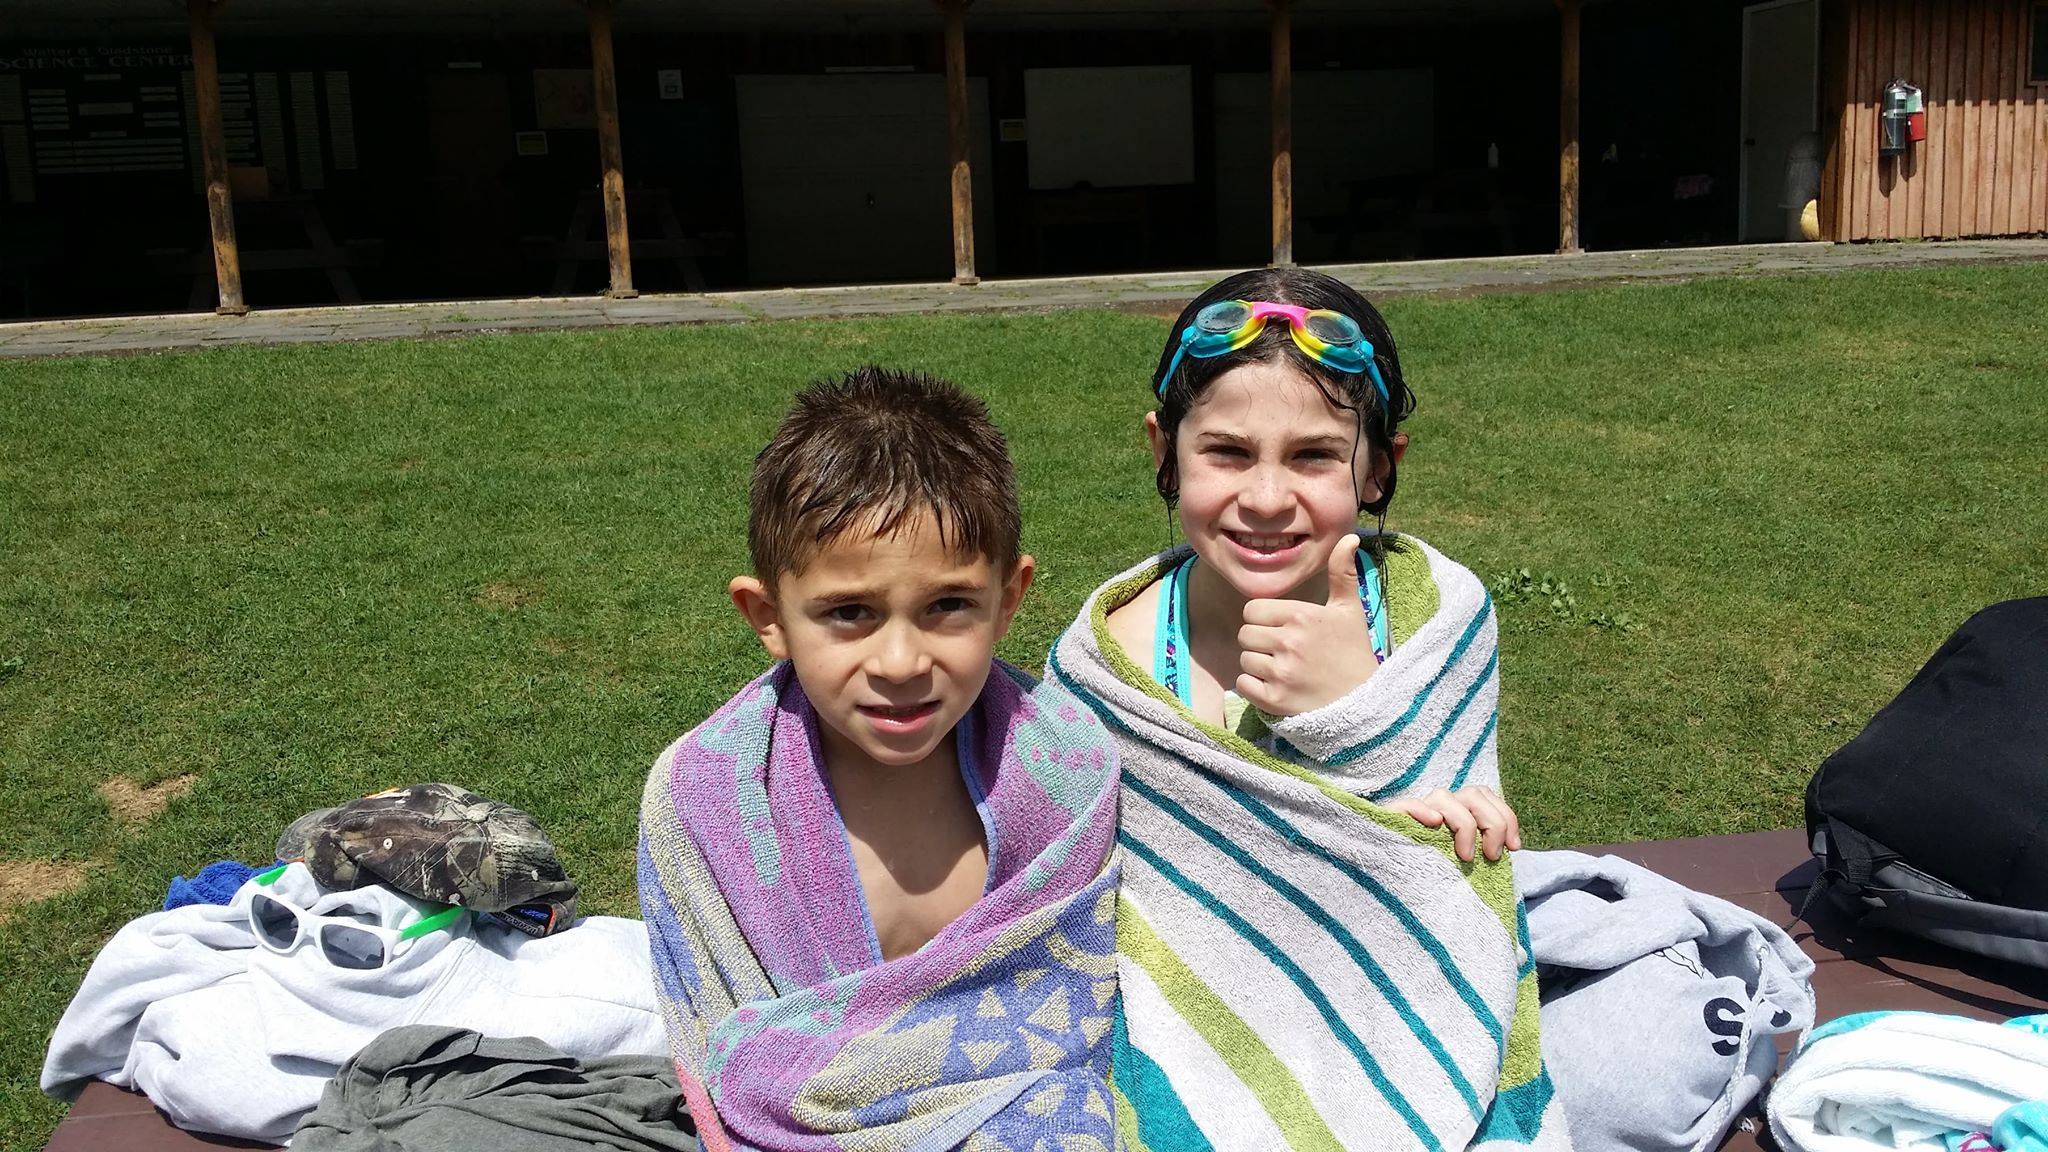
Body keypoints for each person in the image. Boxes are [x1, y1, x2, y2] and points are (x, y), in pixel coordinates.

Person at [1045, 268, 1571, 1150]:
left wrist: (1351, 710)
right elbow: (1094, 902)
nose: (1265, 497)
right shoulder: (1105, 667)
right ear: (1164, 454)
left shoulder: (1432, 617)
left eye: (1315, 455)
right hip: (1187, 1039)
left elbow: (1451, 882)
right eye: (1226, 451)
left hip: (1402, 1025)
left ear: (1378, 469)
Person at [638, 367, 1122, 1152]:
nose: (900, 661)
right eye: (850, 614)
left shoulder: (1064, 774)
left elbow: (1083, 1008)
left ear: (1009, 599)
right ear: (768, 616)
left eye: (948, 606)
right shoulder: (708, 799)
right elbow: (719, 1047)